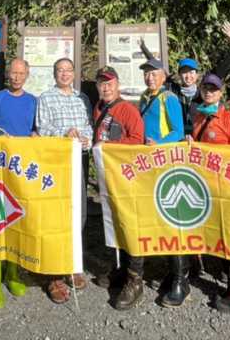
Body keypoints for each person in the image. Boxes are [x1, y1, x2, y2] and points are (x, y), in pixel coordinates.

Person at [187, 74, 230, 315]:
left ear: (222, 92)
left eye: (214, 89)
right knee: (221, 235)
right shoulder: (200, 115)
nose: (209, 92)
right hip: (206, 186)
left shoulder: (229, 119)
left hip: (226, 186)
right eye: (205, 88)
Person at [0, 59, 37, 308]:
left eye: (21, 73)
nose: (16, 77)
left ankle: (12, 274)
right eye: (13, 72)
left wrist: (34, 135)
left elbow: (37, 129)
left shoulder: (33, 101)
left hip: (22, 168)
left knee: (18, 220)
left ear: (27, 75)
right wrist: (2, 137)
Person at [35, 57, 93, 304]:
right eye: (60, 70)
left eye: (69, 70)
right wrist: (64, 134)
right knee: (54, 216)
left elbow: (90, 126)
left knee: (78, 214)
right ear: (54, 74)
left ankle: (72, 263)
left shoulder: (83, 98)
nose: (65, 74)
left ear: (74, 73)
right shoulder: (46, 97)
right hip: (54, 164)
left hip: (77, 162)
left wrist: (84, 139)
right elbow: (41, 128)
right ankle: (54, 274)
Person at [90, 66, 146, 310]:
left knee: (130, 224)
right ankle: (121, 268)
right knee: (114, 222)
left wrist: (110, 145)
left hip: (127, 179)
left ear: (118, 85)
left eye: (109, 83)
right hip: (108, 178)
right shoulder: (99, 108)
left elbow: (138, 140)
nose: (105, 87)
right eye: (101, 83)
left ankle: (136, 278)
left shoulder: (128, 109)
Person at [136, 57, 187, 307]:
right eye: (146, 73)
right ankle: (170, 272)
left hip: (167, 161)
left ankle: (181, 278)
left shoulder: (170, 98)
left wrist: (160, 145)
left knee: (173, 217)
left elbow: (178, 131)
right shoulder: (144, 98)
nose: (149, 77)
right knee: (156, 215)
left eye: (153, 73)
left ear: (164, 76)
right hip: (148, 164)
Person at [170, 57, 203, 136]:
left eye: (191, 72)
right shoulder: (174, 91)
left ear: (197, 75)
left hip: (198, 137)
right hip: (180, 138)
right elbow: (159, 70)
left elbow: (219, 73)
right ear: (179, 75)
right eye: (184, 72)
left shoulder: (202, 93)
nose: (188, 76)